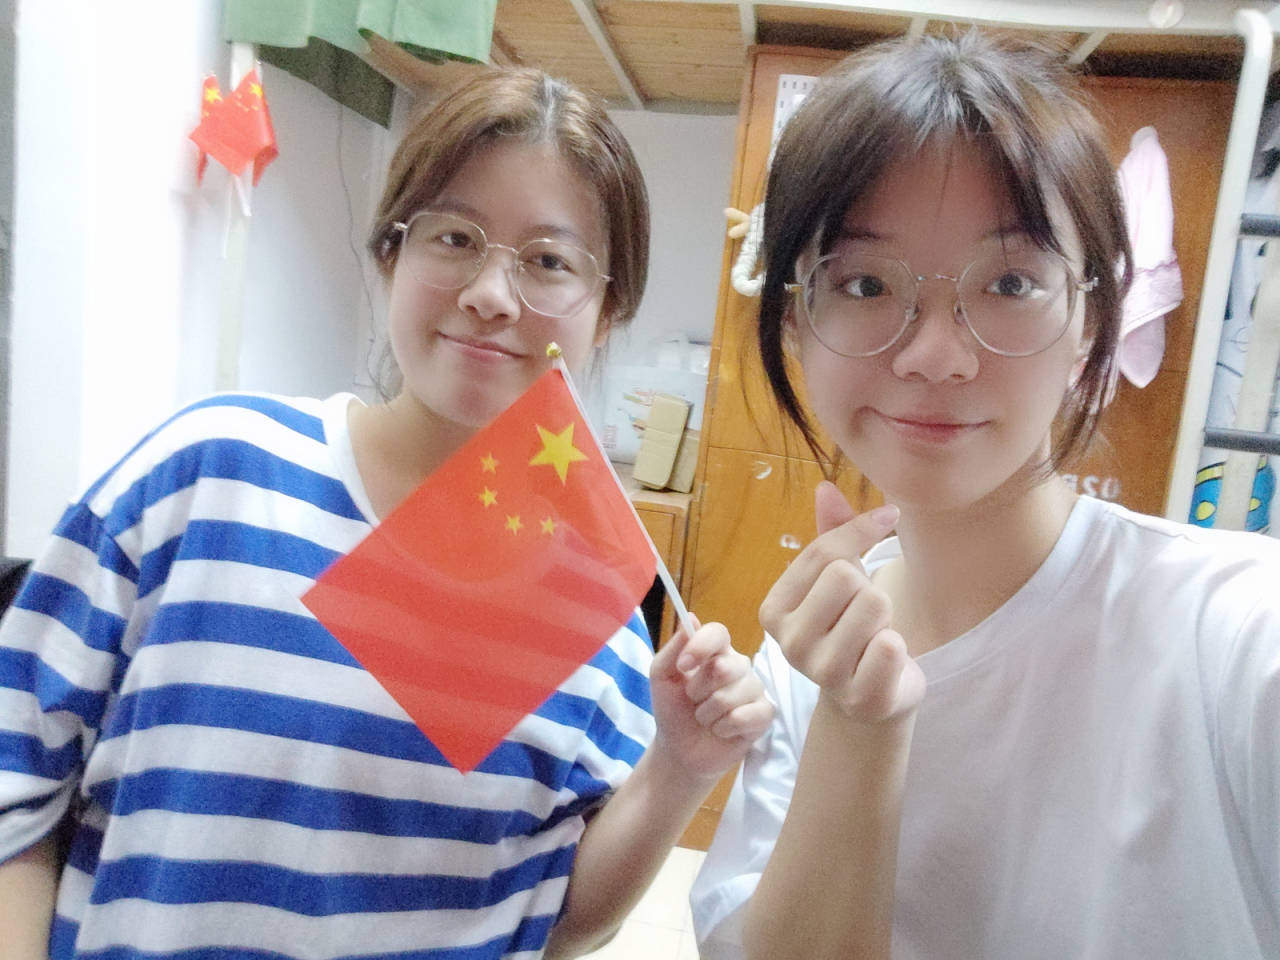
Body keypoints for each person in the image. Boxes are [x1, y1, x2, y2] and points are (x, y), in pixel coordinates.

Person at [0, 67, 773, 959]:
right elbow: (16, 771)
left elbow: (568, 924)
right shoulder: (205, 473)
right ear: (390, 255)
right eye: (455, 237)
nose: (491, 293)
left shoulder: (591, 608)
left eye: (549, 262)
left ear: (607, 313)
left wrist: (679, 767)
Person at [691, 32, 1280, 960]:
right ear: (797, 320)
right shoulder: (803, 666)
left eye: (1010, 282)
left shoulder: (1237, 634)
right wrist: (857, 725)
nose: (936, 355)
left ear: (1090, 321)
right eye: (864, 282)